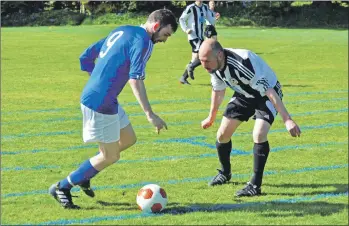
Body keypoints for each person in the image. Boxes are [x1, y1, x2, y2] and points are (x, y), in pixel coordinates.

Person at [49, 9, 178, 209]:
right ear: (155, 26)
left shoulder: (123, 30)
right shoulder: (144, 42)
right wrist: (149, 114)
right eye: (165, 34)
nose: (165, 40)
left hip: (107, 99)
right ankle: (62, 186)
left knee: (128, 139)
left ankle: (86, 174)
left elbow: (85, 57)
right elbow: (135, 78)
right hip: (99, 103)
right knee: (110, 156)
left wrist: (100, 79)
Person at [198, 39, 301, 197]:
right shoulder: (215, 67)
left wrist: (287, 119)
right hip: (244, 94)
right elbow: (218, 90)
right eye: (201, 61)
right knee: (222, 135)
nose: (204, 66)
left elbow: (269, 91)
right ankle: (225, 173)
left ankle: (255, 185)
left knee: (259, 134)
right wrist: (211, 117)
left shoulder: (243, 63)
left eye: (206, 61)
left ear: (219, 55)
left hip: (266, 94)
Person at [179, 0, 215, 85]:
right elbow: (181, 19)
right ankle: (190, 67)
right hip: (193, 36)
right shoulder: (191, 7)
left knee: (195, 58)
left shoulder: (205, 7)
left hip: (200, 36)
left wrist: (213, 16)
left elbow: (210, 20)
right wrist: (186, 29)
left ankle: (183, 77)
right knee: (203, 55)